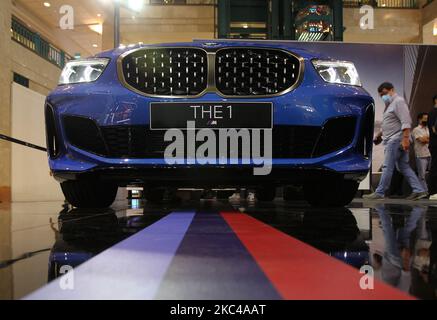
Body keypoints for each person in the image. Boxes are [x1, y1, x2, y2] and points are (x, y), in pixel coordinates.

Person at [364, 82, 428, 200]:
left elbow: (406, 121)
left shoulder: (398, 101)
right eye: (381, 95)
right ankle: (419, 190)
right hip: (393, 138)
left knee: (387, 166)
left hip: (396, 139)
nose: (383, 97)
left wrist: (405, 139)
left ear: (392, 90)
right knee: (403, 166)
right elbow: (390, 124)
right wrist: (379, 135)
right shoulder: (390, 105)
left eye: (384, 93)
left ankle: (380, 192)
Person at [412, 113, 431, 193]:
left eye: (427, 119)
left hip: (430, 154)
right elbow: (423, 141)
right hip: (421, 155)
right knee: (422, 176)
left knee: (432, 174)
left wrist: (426, 138)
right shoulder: (416, 130)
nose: (426, 120)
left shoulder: (429, 128)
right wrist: (429, 138)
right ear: (419, 119)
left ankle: (431, 190)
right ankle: (424, 191)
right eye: (425, 119)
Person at [428, 95, 437, 200]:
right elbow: (435, 129)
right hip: (435, 144)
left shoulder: (432, 112)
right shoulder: (434, 112)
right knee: (435, 167)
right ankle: (433, 192)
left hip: (434, 144)